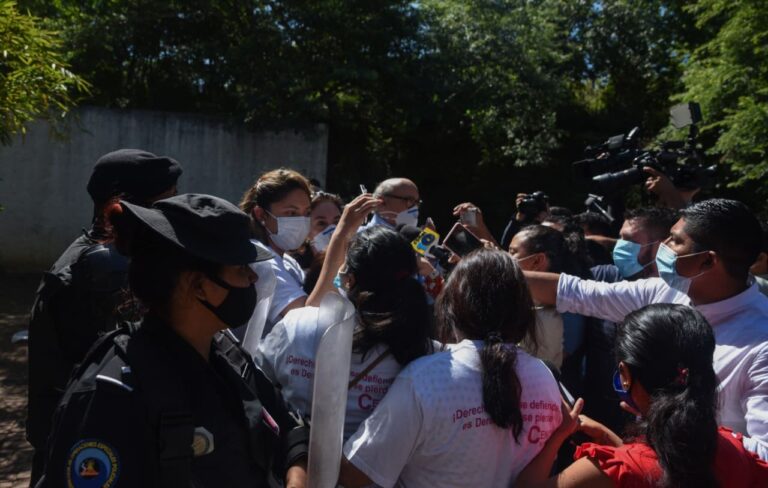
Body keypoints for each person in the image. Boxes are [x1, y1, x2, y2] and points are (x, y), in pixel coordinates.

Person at [37, 194, 309, 488]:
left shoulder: (228, 356)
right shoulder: (114, 392)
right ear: (198, 286)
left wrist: (297, 478)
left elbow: (290, 431)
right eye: (241, 269)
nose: (253, 279)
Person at [524, 198, 768, 459]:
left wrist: (673, 425)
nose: (662, 247)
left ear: (708, 262)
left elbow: (764, 455)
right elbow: (578, 293)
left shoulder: (760, 345)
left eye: (675, 241)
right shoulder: (665, 290)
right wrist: (497, 272)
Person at [338, 249, 562, 488]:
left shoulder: (426, 379)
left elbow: (357, 474)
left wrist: (303, 440)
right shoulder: (545, 378)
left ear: (453, 306)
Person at [26, 148, 182, 484]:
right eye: (166, 201)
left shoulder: (101, 257)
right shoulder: (104, 270)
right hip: (85, 444)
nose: (173, 211)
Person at [515, 304, 768, 487]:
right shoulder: (733, 447)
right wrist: (607, 437)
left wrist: (558, 436)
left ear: (624, 374)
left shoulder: (606, 473)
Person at [255, 225, 434, 439]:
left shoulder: (296, 323)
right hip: (374, 468)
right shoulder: (422, 346)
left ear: (350, 279)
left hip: (295, 458)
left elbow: (257, 381)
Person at [584, 206, 678, 433]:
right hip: (601, 408)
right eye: (619, 237)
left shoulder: (679, 292)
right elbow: (564, 287)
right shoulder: (606, 277)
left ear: (659, 246)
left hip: (658, 417)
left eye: (628, 240)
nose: (619, 246)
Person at [239, 168, 313, 333]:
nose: (301, 221)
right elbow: (307, 319)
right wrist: (337, 245)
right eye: (291, 213)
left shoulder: (289, 261)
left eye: (306, 213)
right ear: (261, 215)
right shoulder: (258, 258)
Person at [509, 225, 590, 368]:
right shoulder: (526, 299)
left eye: (512, 252)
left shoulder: (549, 316)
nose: (505, 257)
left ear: (537, 261)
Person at [290, 191, 344, 270]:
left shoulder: (354, 263)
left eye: (336, 222)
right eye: (321, 223)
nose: (333, 231)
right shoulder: (296, 271)